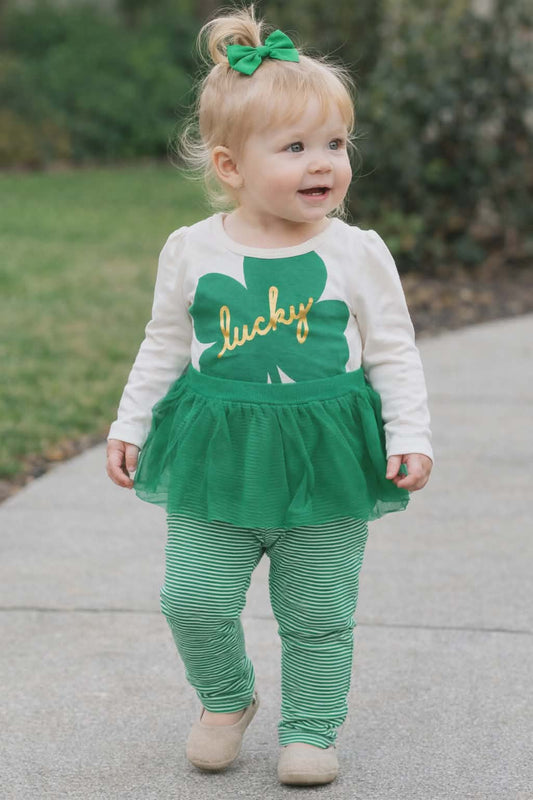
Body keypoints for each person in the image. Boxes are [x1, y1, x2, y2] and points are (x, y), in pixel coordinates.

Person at [106, 3, 433, 787]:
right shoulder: (192, 249)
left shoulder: (356, 251)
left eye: (335, 143)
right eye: (295, 148)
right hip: (217, 455)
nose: (324, 162)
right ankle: (226, 700)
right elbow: (164, 342)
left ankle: (311, 731)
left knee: (316, 614)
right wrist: (131, 421)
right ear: (229, 166)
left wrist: (409, 433)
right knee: (191, 599)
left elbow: (391, 347)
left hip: (325, 460)